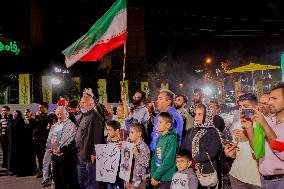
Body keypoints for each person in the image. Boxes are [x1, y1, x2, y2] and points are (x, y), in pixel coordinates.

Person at [242, 83, 284, 188]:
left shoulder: (265, 123)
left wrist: (264, 125)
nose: (269, 102)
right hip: (265, 180)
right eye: (269, 99)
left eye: (274, 98)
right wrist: (249, 128)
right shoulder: (268, 121)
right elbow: (257, 150)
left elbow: (282, 152)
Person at [224, 93, 260, 189]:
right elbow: (237, 150)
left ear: (256, 107)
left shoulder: (263, 124)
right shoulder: (237, 124)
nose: (242, 110)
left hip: (256, 179)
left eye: (246, 106)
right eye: (240, 106)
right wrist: (231, 153)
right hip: (237, 175)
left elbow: (262, 153)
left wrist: (248, 136)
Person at [181, 104, 222, 189]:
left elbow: (211, 152)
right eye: (195, 114)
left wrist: (193, 160)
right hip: (190, 171)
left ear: (207, 115)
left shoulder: (212, 132)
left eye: (200, 114)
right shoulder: (191, 131)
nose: (196, 117)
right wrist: (185, 160)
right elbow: (183, 147)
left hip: (205, 173)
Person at [75, 94, 105, 189]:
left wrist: (94, 152)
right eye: (80, 102)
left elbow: (98, 136)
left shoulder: (96, 116)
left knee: (91, 182)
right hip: (81, 154)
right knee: (82, 181)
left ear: (91, 104)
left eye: (83, 102)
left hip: (89, 156)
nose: (81, 104)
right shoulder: (84, 115)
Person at [48, 106, 79, 189]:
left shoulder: (72, 126)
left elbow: (74, 144)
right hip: (55, 158)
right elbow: (51, 141)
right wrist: (50, 147)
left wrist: (61, 150)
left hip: (67, 158)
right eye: (57, 114)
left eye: (61, 114)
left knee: (68, 182)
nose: (59, 116)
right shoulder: (55, 126)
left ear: (67, 114)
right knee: (57, 181)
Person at [150, 112, 178, 189]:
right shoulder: (159, 137)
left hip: (166, 178)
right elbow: (154, 158)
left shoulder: (172, 139)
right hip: (157, 177)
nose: (157, 124)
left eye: (160, 122)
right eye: (157, 122)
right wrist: (153, 175)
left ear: (168, 125)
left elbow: (168, 161)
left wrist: (156, 176)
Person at [126, 123, 150, 189]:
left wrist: (137, 154)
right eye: (129, 132)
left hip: (139, 181)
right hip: (129, 179)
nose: (129, 134)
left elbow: (146, 163)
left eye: (132, 132)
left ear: (139, 134)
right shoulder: (130, 145)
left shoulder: (144, 147)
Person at [33, 102, 51, 178]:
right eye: (39, 107)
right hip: (37, 139)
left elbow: (44, 123)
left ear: (46, 108)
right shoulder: (39, 116)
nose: (39, 109)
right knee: (39, 156)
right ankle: (41, 170)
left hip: (44, 140)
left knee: (45, 157)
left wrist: (38, 118)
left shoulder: (49, 116)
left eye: (41, 107)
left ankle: (47, 172)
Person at [105, 120, 124, 189]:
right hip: (109, 174)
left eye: (110, 130)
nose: (108, 132)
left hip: (119, 175)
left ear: (117, 131)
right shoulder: (107, 142)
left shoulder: (122, 144)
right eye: (107, 130)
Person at [0, 105, 13, 171]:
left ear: (8, 111)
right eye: (2, 110)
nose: (3, 112)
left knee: (9, 150)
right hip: (3, 136)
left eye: (5, 110)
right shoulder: (0, 117)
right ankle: (5, 163)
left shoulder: (10, 117)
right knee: (4, 150)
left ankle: (9, 164)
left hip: (9, 136)